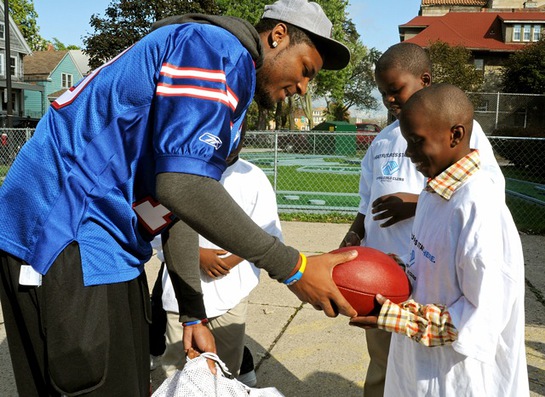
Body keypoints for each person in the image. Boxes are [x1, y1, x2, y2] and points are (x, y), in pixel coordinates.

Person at [0, 1, 358, 395]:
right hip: (62, 236)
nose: (304, 87)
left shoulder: (228, 93)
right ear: (278, 36)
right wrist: (293, 267)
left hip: (105, 242)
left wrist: (192, 313)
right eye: (306, 69)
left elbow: (179, 206)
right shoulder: (213, 47)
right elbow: (181, 185)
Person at [340, 42, 504, 397]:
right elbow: (367, 199)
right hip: (396, 277)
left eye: (395, 89)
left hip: (436, 307)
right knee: (388, 365)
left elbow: (478, 317)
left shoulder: (469, 167)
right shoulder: (387, 141)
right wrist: (358, 239)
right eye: (382, 94)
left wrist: (412, 203)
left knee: (425, 372)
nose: (389, 101)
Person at [153, 137, 282, 385]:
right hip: (182, 292)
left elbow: (268, 231)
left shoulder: (253, 177)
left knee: (226, 369)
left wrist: (231, 260)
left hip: (231, 291)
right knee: (177, 368)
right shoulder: (177, 171)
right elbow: (157, 230)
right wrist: (199, 255)